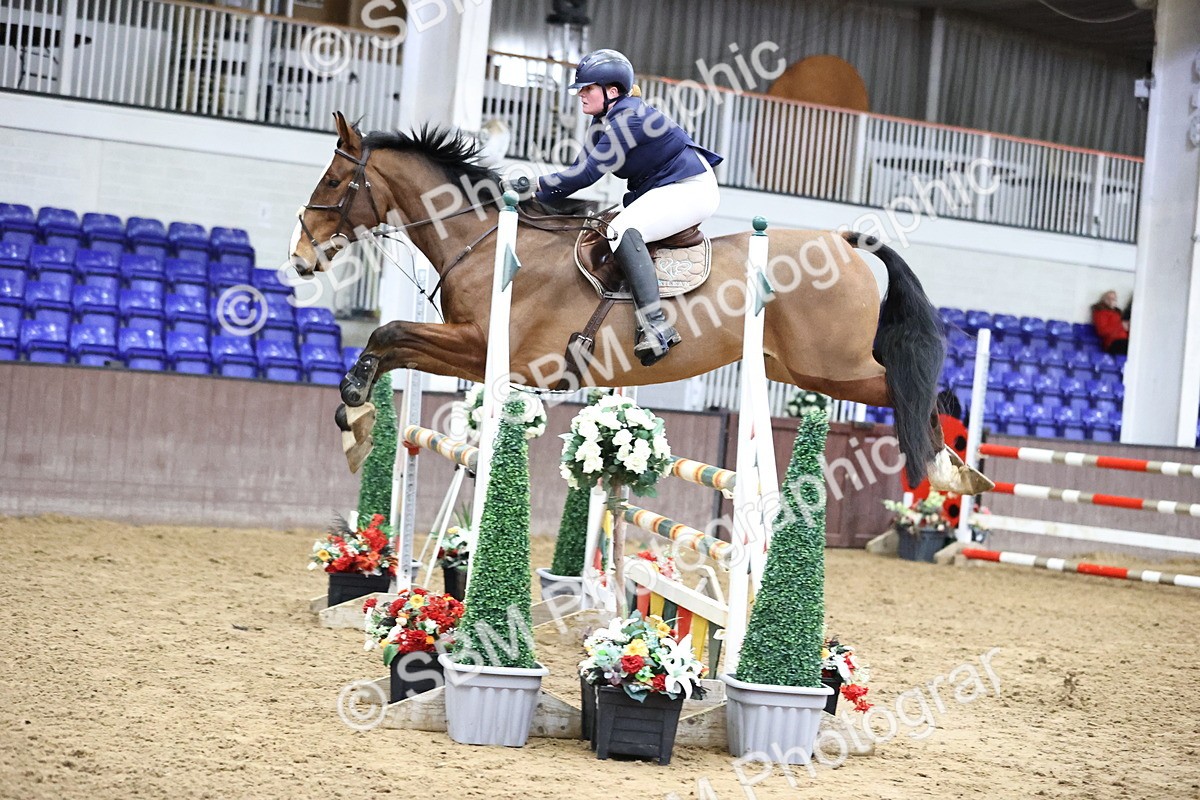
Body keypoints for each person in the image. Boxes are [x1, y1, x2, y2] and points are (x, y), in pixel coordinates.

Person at [535, 49, 723, 367]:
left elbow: (586, 175)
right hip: (668, 188)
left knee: (620, 230)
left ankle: (656, 327)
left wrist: (532, 184)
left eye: (588, 88)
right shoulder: (603, 122)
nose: (581, 94)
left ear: (612, 91)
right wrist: (533, 201)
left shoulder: (629, 119)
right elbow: (576, 173)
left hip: (690, 188)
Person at [1090, 290, 1129, 356]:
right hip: (1113, 343)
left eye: (1114, 299)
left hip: (1124, 340)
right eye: (1109, 298)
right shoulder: (1100, 312)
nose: (1111, 301)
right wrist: (1121, 326)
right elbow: (1102, 331)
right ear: (1104, 300)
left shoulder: (1118, 313)